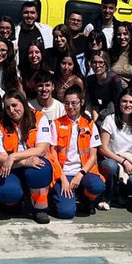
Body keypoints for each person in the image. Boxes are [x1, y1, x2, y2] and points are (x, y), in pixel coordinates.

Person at [0, 92, 55, 222]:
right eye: (7, 107)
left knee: (38, 170)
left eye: (14, 105)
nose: (11, 110)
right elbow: (2, 159)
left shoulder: (39, 118)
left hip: (35, 162)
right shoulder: (1, 126)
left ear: (23, 103)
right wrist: (25, 162)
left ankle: (40, 208)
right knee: (7, 191)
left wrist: (13, 156)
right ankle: (16, 204)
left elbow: (41, 149)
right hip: (13, 167)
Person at [50, 88, 105, 218]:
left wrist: (80, 175)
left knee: (98, 186)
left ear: (81, 102)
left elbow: (93, 157)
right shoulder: (56, 124)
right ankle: (57, 197)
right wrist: (62, 179)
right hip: (64, 174)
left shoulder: (90, 124)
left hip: (84, 173)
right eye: (67, 103)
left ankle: (86, 199)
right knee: (66, 213)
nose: (70, 107)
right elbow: (52, 155)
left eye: (74, 103)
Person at [98, 90, 132, 209]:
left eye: (131, 102)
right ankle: (107, 197)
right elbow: (102, 148)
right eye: (124, 101)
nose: (128, 105)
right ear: (119, 103)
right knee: (111, 166)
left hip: (128, 161)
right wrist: (123, 161)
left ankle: (121, 196)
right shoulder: (110, 120)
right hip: (110, 159)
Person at [85, 51, 124, 118]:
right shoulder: (90, 80)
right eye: (94, 62)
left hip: (113, 112)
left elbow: (117, 103)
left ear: (106, 64)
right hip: (98, 111)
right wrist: (95, 120)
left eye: (101, 62)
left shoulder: (115, 80)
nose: (97, 66)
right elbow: (94, 103)